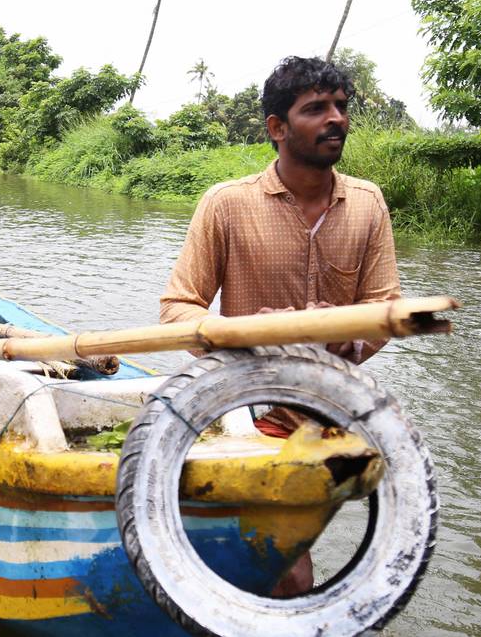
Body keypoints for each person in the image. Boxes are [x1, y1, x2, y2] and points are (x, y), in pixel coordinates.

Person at [159, 56, 401, 596]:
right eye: (315, 108)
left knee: (292, 558)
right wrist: (248, 330)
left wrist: (352, 337)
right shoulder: (227, 205)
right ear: (277, 127)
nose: (334, 118)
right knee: (287, 567)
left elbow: (385, 305)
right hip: (249, 409)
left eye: (340, 106)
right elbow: (178, 309)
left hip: (332, 409)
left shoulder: (367, 204)